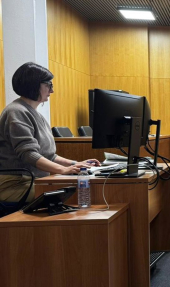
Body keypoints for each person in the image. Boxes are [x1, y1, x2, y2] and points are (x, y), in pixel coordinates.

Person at [0, 62, 100, 203]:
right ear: (34, 85)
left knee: (82, 187)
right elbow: (29, 154)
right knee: (78, 190)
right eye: (48, 85)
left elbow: (49, 155)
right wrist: (62, 170)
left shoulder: (35, 114)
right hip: (15, 185)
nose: (52, 90)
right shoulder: (16, 111)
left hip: (34, 181)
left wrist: (76, 164)